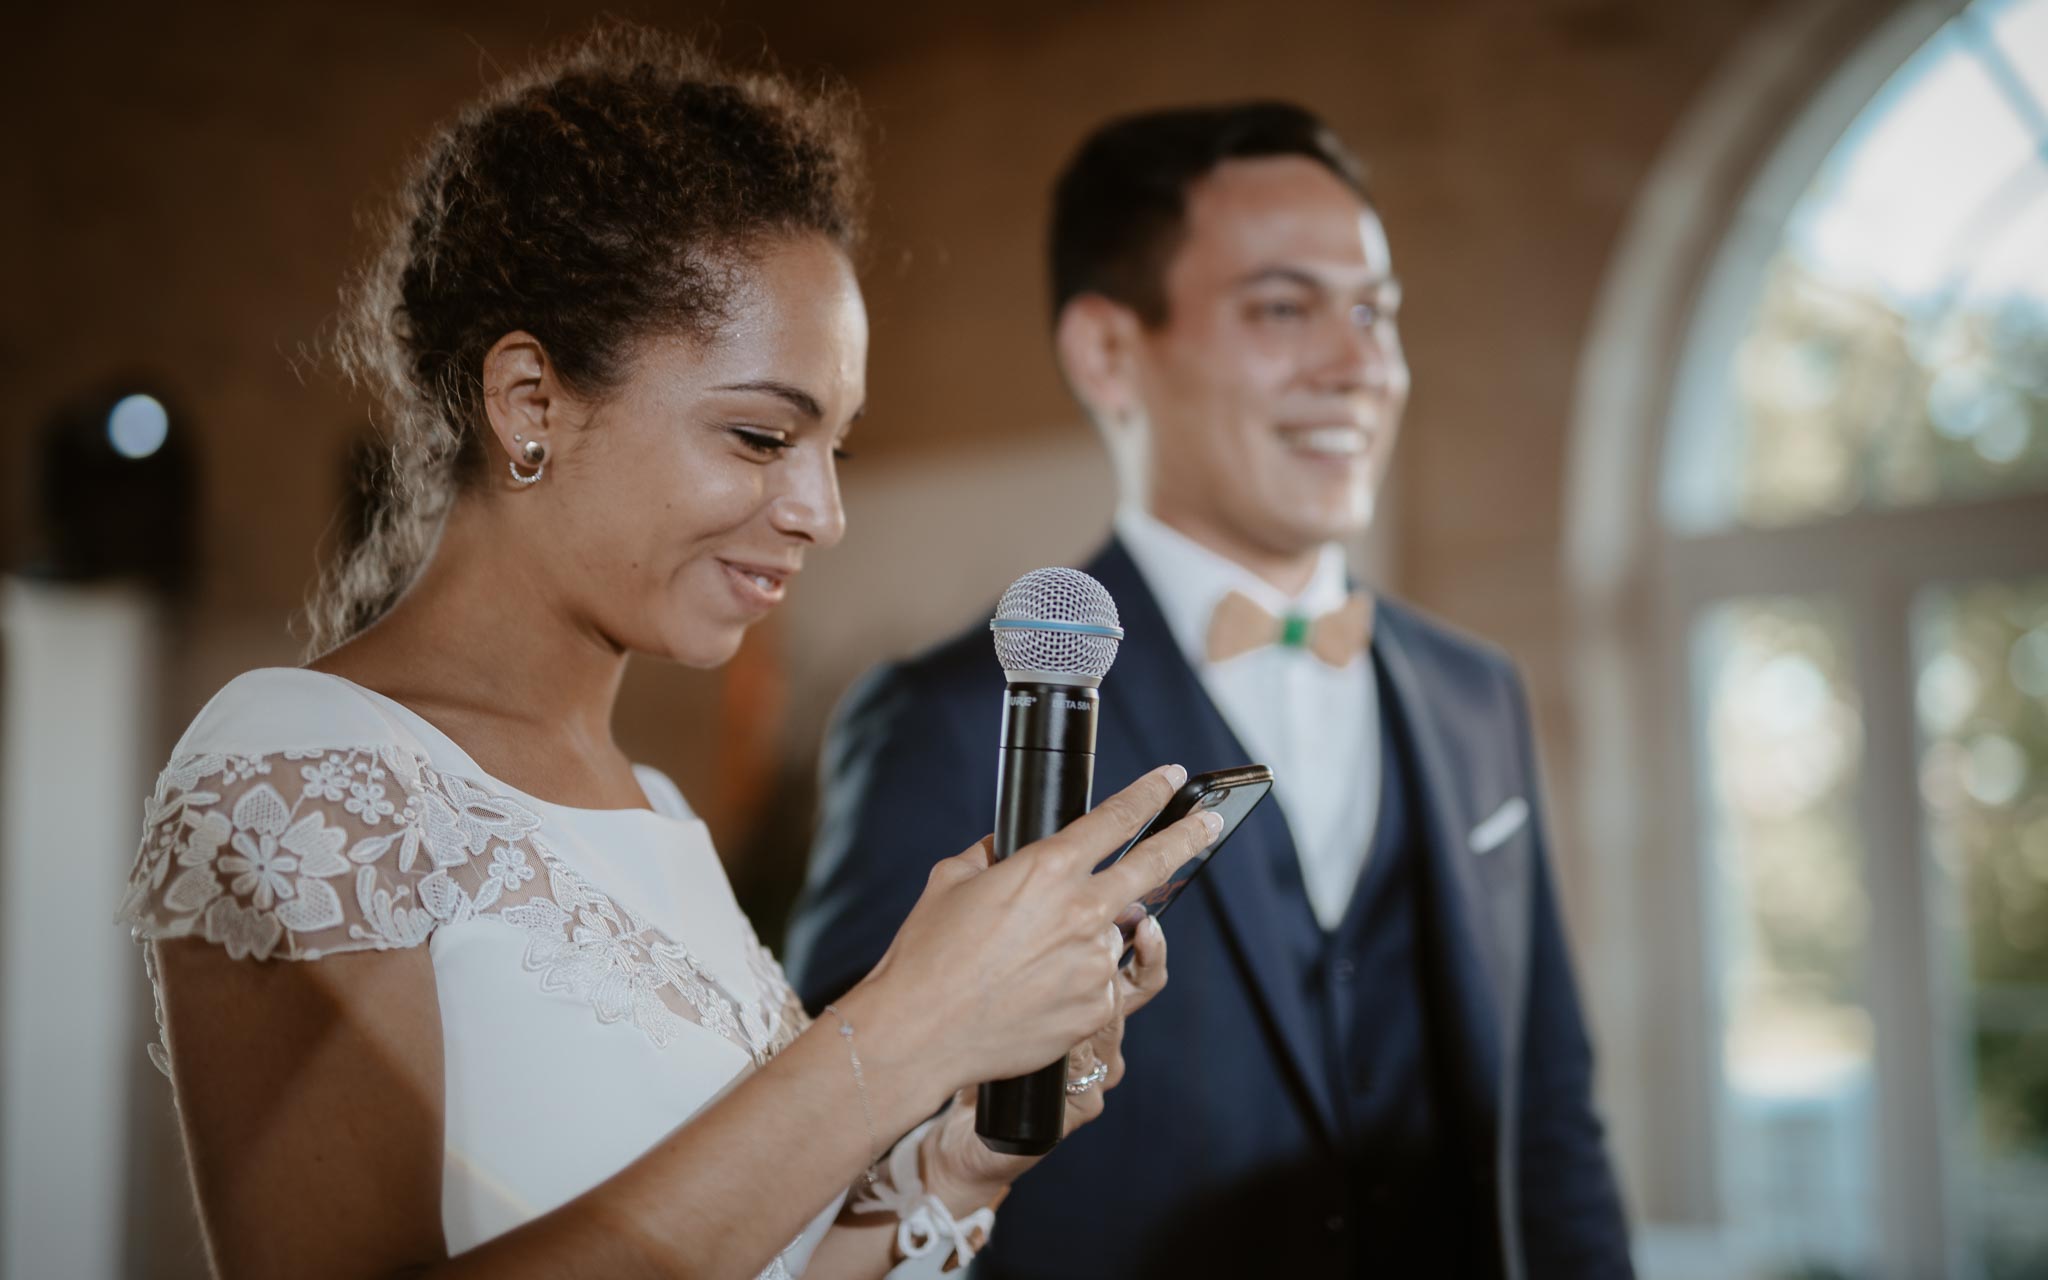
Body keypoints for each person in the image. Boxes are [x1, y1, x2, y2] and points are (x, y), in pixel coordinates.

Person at [114, 29, 1218, 1280]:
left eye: (833, 451)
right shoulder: (302, 768)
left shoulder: (660, 812)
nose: (820, 510)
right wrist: (900, 1028)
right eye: (759, 436)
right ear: (530, 402)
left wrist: (955, 1162)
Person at [785, 102, 1634, 1277]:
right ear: (1107, 350)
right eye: (1282, 308)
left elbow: (1549, 1120)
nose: (1358, 367)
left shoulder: (1474, 695)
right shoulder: (947, 718)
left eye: (1373, 312)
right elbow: (830, 1155)